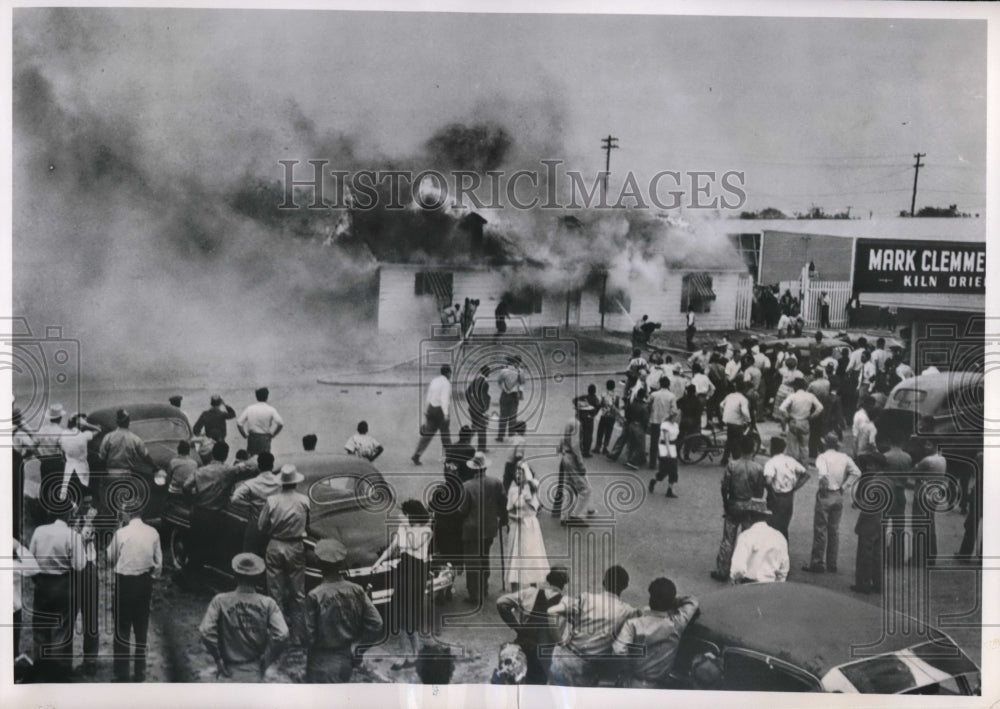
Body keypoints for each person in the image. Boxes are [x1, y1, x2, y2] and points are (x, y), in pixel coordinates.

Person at [199, 553, 288, 682]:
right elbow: (282, 634)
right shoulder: (268, 603)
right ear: (258, 577)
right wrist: (267, 659)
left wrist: (218, 658)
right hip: (254, 669)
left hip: (227, 670)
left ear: (235, 575)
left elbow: (206, 631)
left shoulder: (220, 600)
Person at [303, 539, 383, 683]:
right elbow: (376, 623)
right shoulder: (356, 590)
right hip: (346, 657)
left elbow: (309, 636)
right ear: (341, 563)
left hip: (320, 660)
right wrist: (359, 648)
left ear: (318, 563)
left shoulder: (315, 595)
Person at [548, 565, 639, 686]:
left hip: (564, 659)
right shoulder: (628, 611)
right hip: (587, 668)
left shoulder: (586, 598)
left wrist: (560, 642)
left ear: (603, 582)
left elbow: (552, 612)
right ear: (625, 586)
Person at [373, 500, 434, 669]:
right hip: (404, 569)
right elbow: (393, 547)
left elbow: (414, 544)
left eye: (406, 514)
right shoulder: (403, 528)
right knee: (397, 613)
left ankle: (414, 653)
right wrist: (378, 562)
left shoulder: (426, 530)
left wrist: (407, 526)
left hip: (417, 572)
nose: (404, 517)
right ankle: (403, 654)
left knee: (411, 615)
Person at [106, 501, 162, 682]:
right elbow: (159, 563)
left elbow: (110, 557)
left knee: (122, 629)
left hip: (125, 583)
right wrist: (149, 577)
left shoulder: (121, 533)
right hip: (144, 583)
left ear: (127, 513)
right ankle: (140, 672)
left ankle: (122, 673)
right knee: (141, 628)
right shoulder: (152, 532)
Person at [28, 506, 86, 681]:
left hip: (42, 584)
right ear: (68, 514)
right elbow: (80, 565)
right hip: (63, 585)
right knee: (61, 628)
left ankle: (40, 666)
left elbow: (30, 559)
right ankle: (59, 672)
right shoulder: (72, 535)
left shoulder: (39, 531)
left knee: (40, 626)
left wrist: (38, 578)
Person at [612, 578, 698, 689]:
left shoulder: (633, 624)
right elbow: (692, 601)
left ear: (650, 600)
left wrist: (627, 668)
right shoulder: (677, 624)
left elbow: (618, 651)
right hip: (660, 686)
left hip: (634, 682)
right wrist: (671, 600)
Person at [258, 464, 310, 646]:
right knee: (298, 592)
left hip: (275, 543)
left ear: (281, 483)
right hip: (295, 545)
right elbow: (308, 524)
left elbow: (260, 525)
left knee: (275, 591)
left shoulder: (272, 501)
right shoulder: (304, 501)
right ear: (295, 482)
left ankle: (278, 632)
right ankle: (297, 635)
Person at [496, 567, 568, 685]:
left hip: (522, 645)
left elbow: (501, 602)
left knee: (516, 681)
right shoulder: (565, 602)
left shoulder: (530, 592)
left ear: (548, 581)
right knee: (537, 686)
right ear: (564, 585)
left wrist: (516, 626)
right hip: (544, 654)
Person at [802, 433, 861, 574]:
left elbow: (823, 476)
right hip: (838, 494)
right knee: (834, 531)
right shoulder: (844, 458)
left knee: (820, 529)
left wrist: (822, 490)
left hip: (826, 493)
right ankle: (832, 563)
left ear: (825, 444)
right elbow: (857, 472)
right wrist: (844, 486)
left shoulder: (822, 457)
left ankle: (817, 562)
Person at [711, 436, 766, 582]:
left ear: (741, 448)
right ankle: (747, 571)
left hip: (734, 504)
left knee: (728, 539)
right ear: (753, 449)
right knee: (748, 540)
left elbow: (724, 487)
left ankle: (722, 570)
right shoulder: (758, 468)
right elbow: (760, 491)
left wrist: (726, 504)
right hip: (749, 507)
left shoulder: (732, 465)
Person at [459, 453, 507, 604]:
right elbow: (503, 504)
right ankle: (484, 588)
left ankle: (475, 594)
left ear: (473, 469)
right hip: (489, 527)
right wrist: (502, 519)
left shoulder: (467, 486)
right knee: (484, 556)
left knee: (473, 561)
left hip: (472, 528)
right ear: (485, 467)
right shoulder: (496, 483)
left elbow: (462, 510)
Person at [98, 409, 157, 515]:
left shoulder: (109, 437)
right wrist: (155, 467)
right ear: (128, 422)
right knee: (124, 502)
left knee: (109, 503)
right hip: (126, 474)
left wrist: (103, 473)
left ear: (117, 422)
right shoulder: (134, 438)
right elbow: (145, 456)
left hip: (111, 474)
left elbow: (101, 457)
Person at [852, 444, 889, 595]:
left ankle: (863, 584)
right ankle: (878, 583)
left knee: (865, 553)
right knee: (878, 553)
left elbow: (862, 502)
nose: (867, 466)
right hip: (882, 519)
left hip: (869, 519)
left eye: (871, 464)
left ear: (877, 465)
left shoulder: (870, 481)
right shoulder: (886, 479)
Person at [506, 462, 549, 591]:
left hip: (531, 528)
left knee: (532, 557)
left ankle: (533, 591)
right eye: (517, 473)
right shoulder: (513, 491)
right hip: (518, 527)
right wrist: (515, 517)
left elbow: (532, 487)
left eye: (521, 473)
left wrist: (526, 475)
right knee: (515, 559)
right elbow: (508, 511)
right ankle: (515, 592)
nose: (518, 475)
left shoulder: (533, 489)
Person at [230, 451, 280, 554]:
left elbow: (234, 499)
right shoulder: (280, 483)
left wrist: (249, 505)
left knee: (250, 555)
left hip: (255, 524)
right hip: (275, 525)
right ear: (272, 465)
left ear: (259, 466)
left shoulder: (251, 483)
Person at [729, 499, 789, 583]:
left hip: (749, 585)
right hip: (771, 586)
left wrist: (735, 580)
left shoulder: (746, 536)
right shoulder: (779, 537)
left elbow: (738, 568)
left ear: (748, 517)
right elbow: (783, 569)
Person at [762, 437, 809, 540]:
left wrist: (769, 489)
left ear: (773, 448)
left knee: (773, 527)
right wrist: (795, 487)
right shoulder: (790, 460)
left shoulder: (771, 463)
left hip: (776, 497)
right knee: (784, 526)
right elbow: (806, 474)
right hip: (788, 497)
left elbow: (768, 481)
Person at [910, 440, 945, 566]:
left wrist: (916, 467)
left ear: (935, 446)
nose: (925, 446)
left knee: (918, 526)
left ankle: (917, 558)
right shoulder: (942, 460)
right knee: (931, 525)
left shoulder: (927, 461)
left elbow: (913, 473)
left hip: (922, 495)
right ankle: (931, 557)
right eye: (925, 444)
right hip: (934, 496)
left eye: (929, 444)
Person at [412, 364, 453, 465]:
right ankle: (450, 457)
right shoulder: (446, 383)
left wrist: (427, 409)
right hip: (440, 411)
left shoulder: (434, 380)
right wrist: (446, 414)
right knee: (445, 435)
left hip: (431, 408)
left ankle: (417, 454)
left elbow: (429, 395)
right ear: (448, 373)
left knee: (427, 434)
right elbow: (444, 399)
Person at [558, 414, 595, 525]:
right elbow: (575, 445)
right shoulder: (577, 424)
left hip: (566, 455)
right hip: (572, 458)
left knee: (571, 487)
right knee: (586, 490)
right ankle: (574, 516)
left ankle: (565, 516)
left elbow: (562, 439)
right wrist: (581, 463)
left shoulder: (570, 421)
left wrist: (562, 450)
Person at [779, 379, 824, 465]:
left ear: (795, 387)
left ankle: (792, 465)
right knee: (804, 447)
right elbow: (820, 408)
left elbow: (782, 408)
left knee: (792, 446)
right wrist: (812, 417)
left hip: (794, 421)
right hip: (805, 422)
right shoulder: (810, 396)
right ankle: (804, 466)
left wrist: (787, 417)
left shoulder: (792, 396)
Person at [58, 413, 101, 502]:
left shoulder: (64, 434)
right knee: (83, 487)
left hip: (69, 465)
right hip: (82, 465)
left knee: (66, 488)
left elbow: (61, 448)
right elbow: (98, 430)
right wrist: (87, 424)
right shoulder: (84, 435)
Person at [237, 387, 284, 456]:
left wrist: (244, 435)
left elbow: (239, 422)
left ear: (256, 397)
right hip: (265, 438)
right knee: (264, 460)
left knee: (251, 460)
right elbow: (280, 423)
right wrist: (273, 434)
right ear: (267, 397)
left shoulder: (250, 408)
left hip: (252, 437)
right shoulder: (271, 409)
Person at [647, 377, 678, 471]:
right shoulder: (672, 396)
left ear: (660, 384)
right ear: (668, 385)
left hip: (655, 421)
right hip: (666, 423)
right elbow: (674, 411)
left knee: (654, 442)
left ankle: (652, 463)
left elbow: (647, 403)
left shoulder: (654, 394)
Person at [34, 403, 67, 490]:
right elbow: (64, 449)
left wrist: (40, 457)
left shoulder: (42, 430)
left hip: (45, 461)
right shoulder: (61, 432)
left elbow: (33, 445)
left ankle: (43, 502)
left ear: (50, 418)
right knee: (57, 486)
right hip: (57, 461)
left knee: (45, 485)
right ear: (60, 418)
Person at [719, 380, 752, 466]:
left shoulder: (729, 396)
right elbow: (745, 412)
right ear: (744, 389)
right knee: (737, 442)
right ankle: (736, 460)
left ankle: (724, 459)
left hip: (728, 421)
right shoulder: (743, 399)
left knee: (729, 440)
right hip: (737, 423)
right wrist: (748, 420)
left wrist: (723, 414)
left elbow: (721, 405)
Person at [649, 419, 680, 498]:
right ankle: (654, 480)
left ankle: (669, 490)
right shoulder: (665, 425)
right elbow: (666, 439)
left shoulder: (676, 424)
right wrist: (668, 451)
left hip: (672, 447)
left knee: (673, 469)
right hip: (665, 448)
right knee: (664, 470)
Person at [496, 357, 525, 442]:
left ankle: (500, 436)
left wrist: (504, 389)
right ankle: (511, 435)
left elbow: (499, 381)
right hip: (514, 395)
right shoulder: (520, 371)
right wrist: (520, 392)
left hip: (505, 395)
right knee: (513, 416)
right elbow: (522, 383)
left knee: (503, 416)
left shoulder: (504, 371)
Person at [466, 365, 491, 452]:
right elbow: (484, 398)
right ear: (487, 373)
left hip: (472, 408)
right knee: (482, 428)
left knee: (475, 427)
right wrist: (484, 409)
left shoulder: (475, 381)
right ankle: (482, 448)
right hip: (479, 409)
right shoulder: (485, 383)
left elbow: (467, 392)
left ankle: (465, 442)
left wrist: (471, 403)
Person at [594, 379, 621, 456]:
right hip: (612, 417)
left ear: (606, 386)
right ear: (614, 387)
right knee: (608, 432)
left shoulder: (603, 394)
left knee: (600, 432)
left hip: (604, 415)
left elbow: (600, 404)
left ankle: (598, 447)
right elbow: (617, 406)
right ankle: (605, 448)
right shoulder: (617, 395)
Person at [573, 384, 600, 458]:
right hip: (589, 419)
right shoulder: (595, 399)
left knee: (580, 433)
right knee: (588, 435)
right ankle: (586, 451)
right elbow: (598, 407)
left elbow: (574, 400)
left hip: (581, 417)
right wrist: (593, 414)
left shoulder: (584, 397)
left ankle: (578, 449)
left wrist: (577, 408)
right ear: (594, 391)